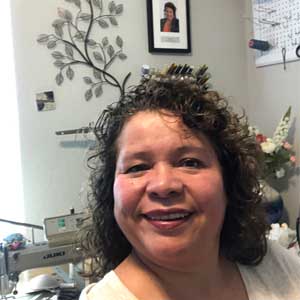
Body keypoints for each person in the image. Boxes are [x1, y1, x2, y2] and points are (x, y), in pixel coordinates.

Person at [80, 64, 300, 300]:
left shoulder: (274, 264)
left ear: (229, 181)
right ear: (110, 191)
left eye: (190, 163)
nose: (163, 185)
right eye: (138, 167)